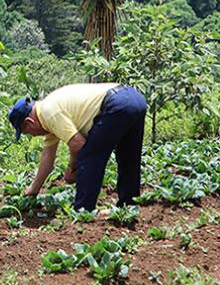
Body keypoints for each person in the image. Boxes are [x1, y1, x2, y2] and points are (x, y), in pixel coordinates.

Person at [8, 83, 147, 212]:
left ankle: (83, 211)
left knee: (89, 157)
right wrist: (34, 188)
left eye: (27, 132)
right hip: (135, 99)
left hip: (117, 104)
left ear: (29, 122)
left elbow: (78, 144)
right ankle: (129, 207)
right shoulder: (47, 111)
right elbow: (47, 157)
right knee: (128, 157)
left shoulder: (49, 113)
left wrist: (72, 168)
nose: (32, 136)